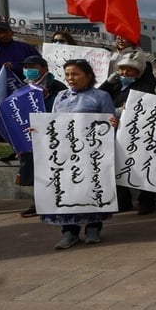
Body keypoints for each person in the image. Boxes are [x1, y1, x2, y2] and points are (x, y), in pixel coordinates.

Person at [39, 59, 118, 249]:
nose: (70, 78)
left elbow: (109, 122)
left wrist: (113, 123)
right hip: (65, 152)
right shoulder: (60, 97)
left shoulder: (101, 96)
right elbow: (53, 123)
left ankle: (93, 227)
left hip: (92, 153)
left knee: (92, 189)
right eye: (67, 74)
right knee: (67, 189)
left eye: (75, 74)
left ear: (88, 76)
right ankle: (69, 231)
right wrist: (38, 130)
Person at [100, 56, 156, 214]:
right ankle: (123, 201)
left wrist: (122, 110)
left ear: (138, 72)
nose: (124, 72)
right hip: (115, 132)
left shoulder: (144, 87)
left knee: (141, 166)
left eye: (129, 69)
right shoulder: (115, 85)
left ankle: (146, 202)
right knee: (118, 166)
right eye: (121, 69)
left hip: (137, 134)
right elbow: (98, 97)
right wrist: (107, 83)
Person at [16, 55, 67, 217]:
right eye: (26, 66)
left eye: (33, 66)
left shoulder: (56, 86)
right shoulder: (24, 86)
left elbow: (62, 108)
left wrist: (45, 98)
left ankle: (58, 200)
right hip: (32, 134)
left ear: (44, 68)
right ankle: (39, 202)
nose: (29, 70)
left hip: (52, 133)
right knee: (35, 170)